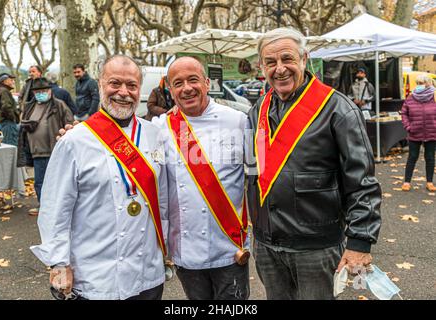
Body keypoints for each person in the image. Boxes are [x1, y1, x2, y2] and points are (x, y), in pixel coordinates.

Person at [245, 28, 382, 300]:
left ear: (304, 59)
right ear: (262, 67)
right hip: (267, 244)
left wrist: (359, 241)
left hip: (316, 247)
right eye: (270, 62)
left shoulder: (338, 109)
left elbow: (362, 181)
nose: (280, 69)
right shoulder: (257, 109)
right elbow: (254, 170)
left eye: (287, 59)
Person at [30, 55, 168, 300]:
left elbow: (165, 197)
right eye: (115, 83)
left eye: (132, 85)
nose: (123, 92)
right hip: (96, 276)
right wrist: (59, 263)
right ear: (101, 84)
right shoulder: (74, 140)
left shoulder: (155, 134)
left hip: (147, 273)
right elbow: (55, 208)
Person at [152, 56, 250, 300]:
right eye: (178, 83)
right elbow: (121, 139)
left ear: (207, 83)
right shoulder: (159, 128)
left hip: (230, 246)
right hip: (186, 248)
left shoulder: (239, 120)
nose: (187, 88)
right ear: (170, 90)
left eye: (193, 80)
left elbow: (261, 173)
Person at [20, 77, 74, 211]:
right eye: (38, 91)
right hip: (37, 151)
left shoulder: (59, 105)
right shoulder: (29, 107)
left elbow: (70, 124)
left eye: (44, 90)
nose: (41, 93)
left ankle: (59, 207)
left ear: (50, 90)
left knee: (58, 181)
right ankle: (43, 206)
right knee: (39, 181)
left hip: (55, 150)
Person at [401, 74, 436, 192]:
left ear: (428, 84)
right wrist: (408, 126)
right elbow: (404, 113)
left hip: (432, 132)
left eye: (421, 83)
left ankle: (430, 182)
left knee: (430, 158)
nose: (419, 86)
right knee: (412, 157)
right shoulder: (411, 97)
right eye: (418, 83)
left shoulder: (435, 97)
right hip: (414, 133)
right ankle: (406, 182)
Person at [0, 73, 20, 146]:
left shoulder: (1, 90)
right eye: (11, 80)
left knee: (8, 143)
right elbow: (6, 107)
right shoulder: (4, 91)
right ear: (4, 81)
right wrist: (13, 117)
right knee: (11, 144)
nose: (13, 82)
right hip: (8, 122)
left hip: (6, 122)